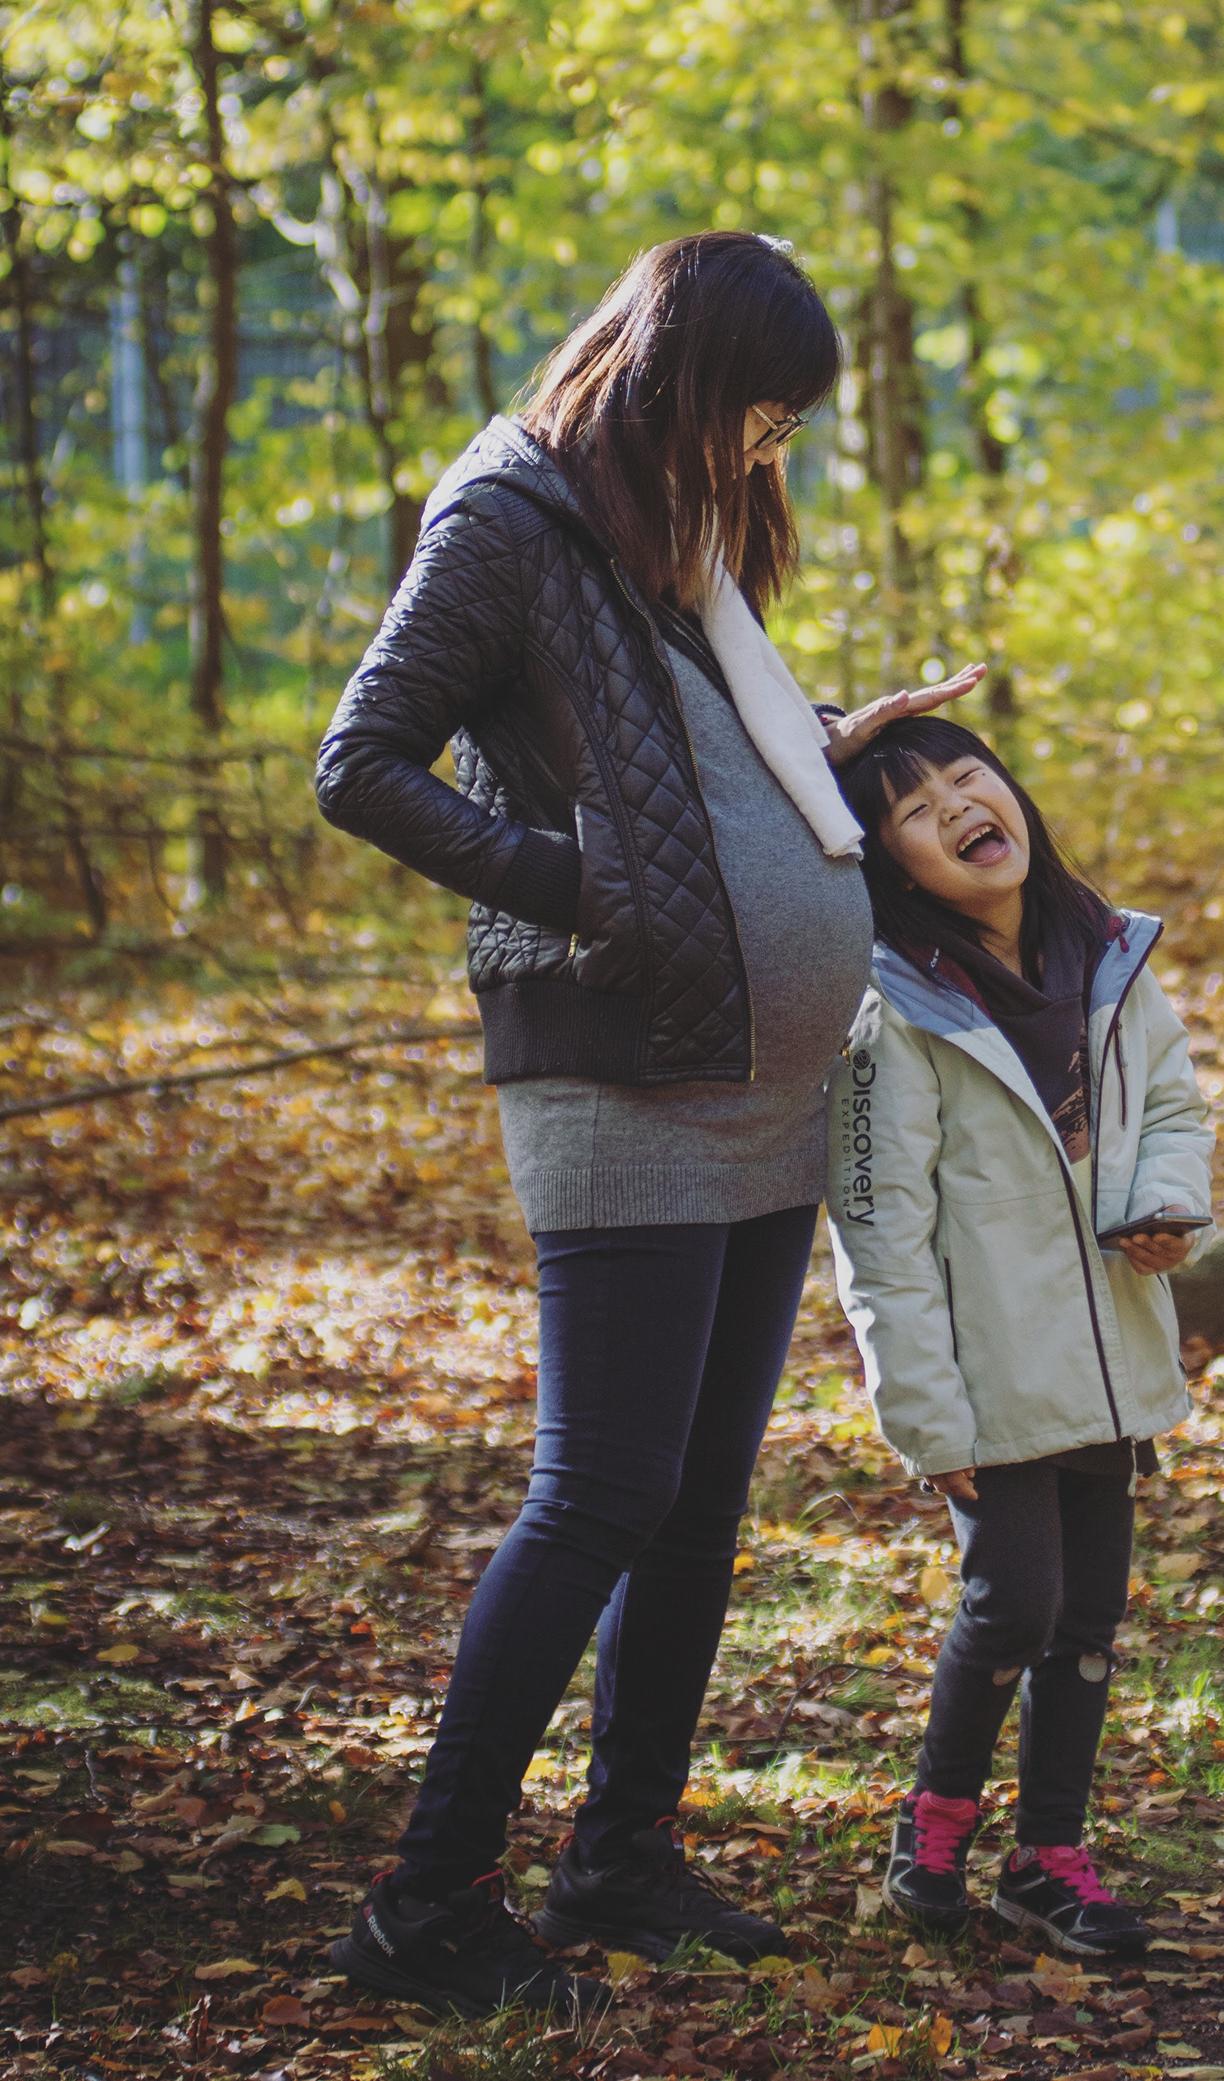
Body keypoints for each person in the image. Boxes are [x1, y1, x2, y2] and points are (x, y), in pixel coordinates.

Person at [313, 231, 981, 2018]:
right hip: (621, 1061)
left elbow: (682, 775)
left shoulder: (662, 542)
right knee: (599, 1488)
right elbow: (360, 762)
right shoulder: (509, 522)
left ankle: (622, 1853)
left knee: (694, 1504)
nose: (768, 450)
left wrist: (830, 748)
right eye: (757, 412)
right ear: (677, 373)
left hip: (755, 1076)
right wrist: (582, 886)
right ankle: (427, 1900)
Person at [824, 717, 1213, 1955]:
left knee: (1089, 1617)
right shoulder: (895, 1011)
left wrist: (1166, 1202)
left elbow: (1174, 1104)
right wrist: (923, 1414)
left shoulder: (1106, 955)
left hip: (1106, 1353)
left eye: (966, 776)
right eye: (912, 810)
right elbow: (881, 1228)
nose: (954, 806)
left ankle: (1049, 1856)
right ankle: (936, 1820)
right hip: (989, 1372)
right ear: (893, 869)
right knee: (1013, 1603)